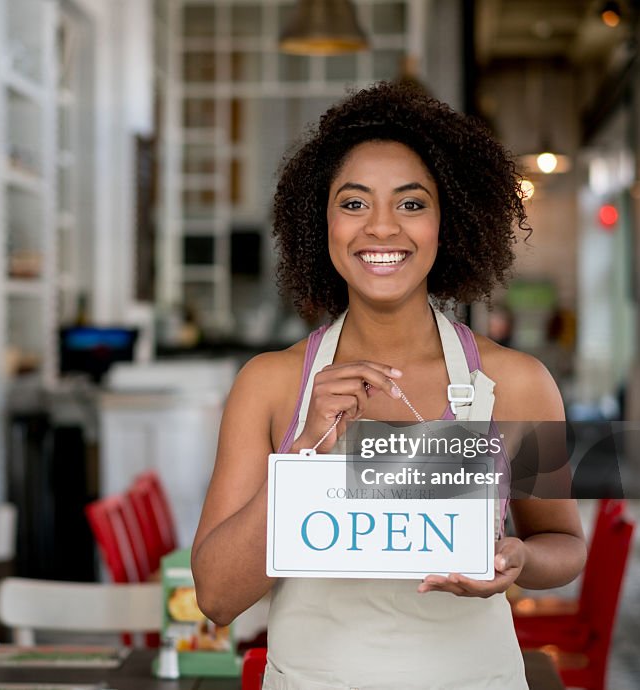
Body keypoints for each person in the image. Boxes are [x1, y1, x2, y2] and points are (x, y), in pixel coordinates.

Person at [191, 81, 586, 689]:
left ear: (445, 222)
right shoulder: (270, 387)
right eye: (353, 203)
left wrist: (520, 558)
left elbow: (563, 542)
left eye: (410, 203)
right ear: (320, 221)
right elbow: (216, 596)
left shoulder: (519, 383)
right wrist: (303, 455)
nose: (381, 228)